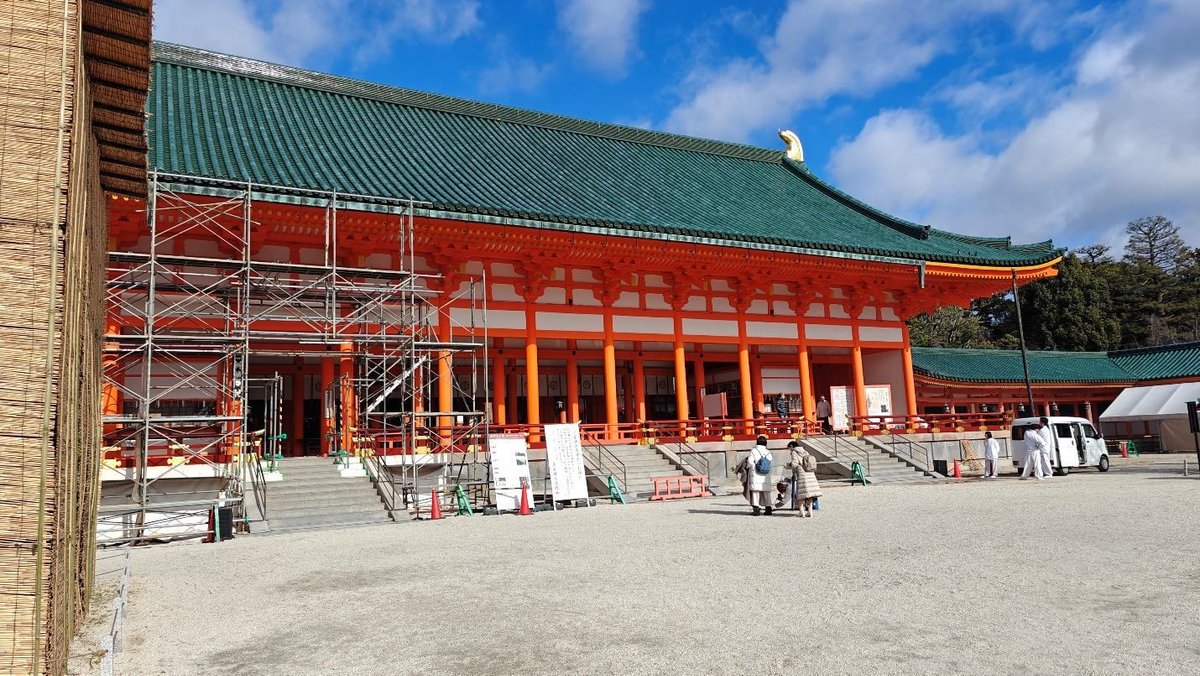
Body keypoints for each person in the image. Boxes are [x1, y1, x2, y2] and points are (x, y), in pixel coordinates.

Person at [735, 435, 774, 516]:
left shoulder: (754, 450)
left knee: (755, 492)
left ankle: (756, 509)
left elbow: (750, 462)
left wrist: (750, 467)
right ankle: (768, 509)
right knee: (766, 492)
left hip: (756, 473)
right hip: (765, 474)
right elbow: (770, 461)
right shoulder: (768, 452)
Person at [785, 440, 823, 516]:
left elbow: (794, 464)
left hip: (802, 473)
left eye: (789, 448)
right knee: (809, 493)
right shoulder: (805, 451)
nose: (790, 450)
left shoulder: (794, 452)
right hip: (810, 473)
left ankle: (801, 511)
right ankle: (810, 511)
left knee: (801, 493)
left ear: (792, 446)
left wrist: (788, 465)